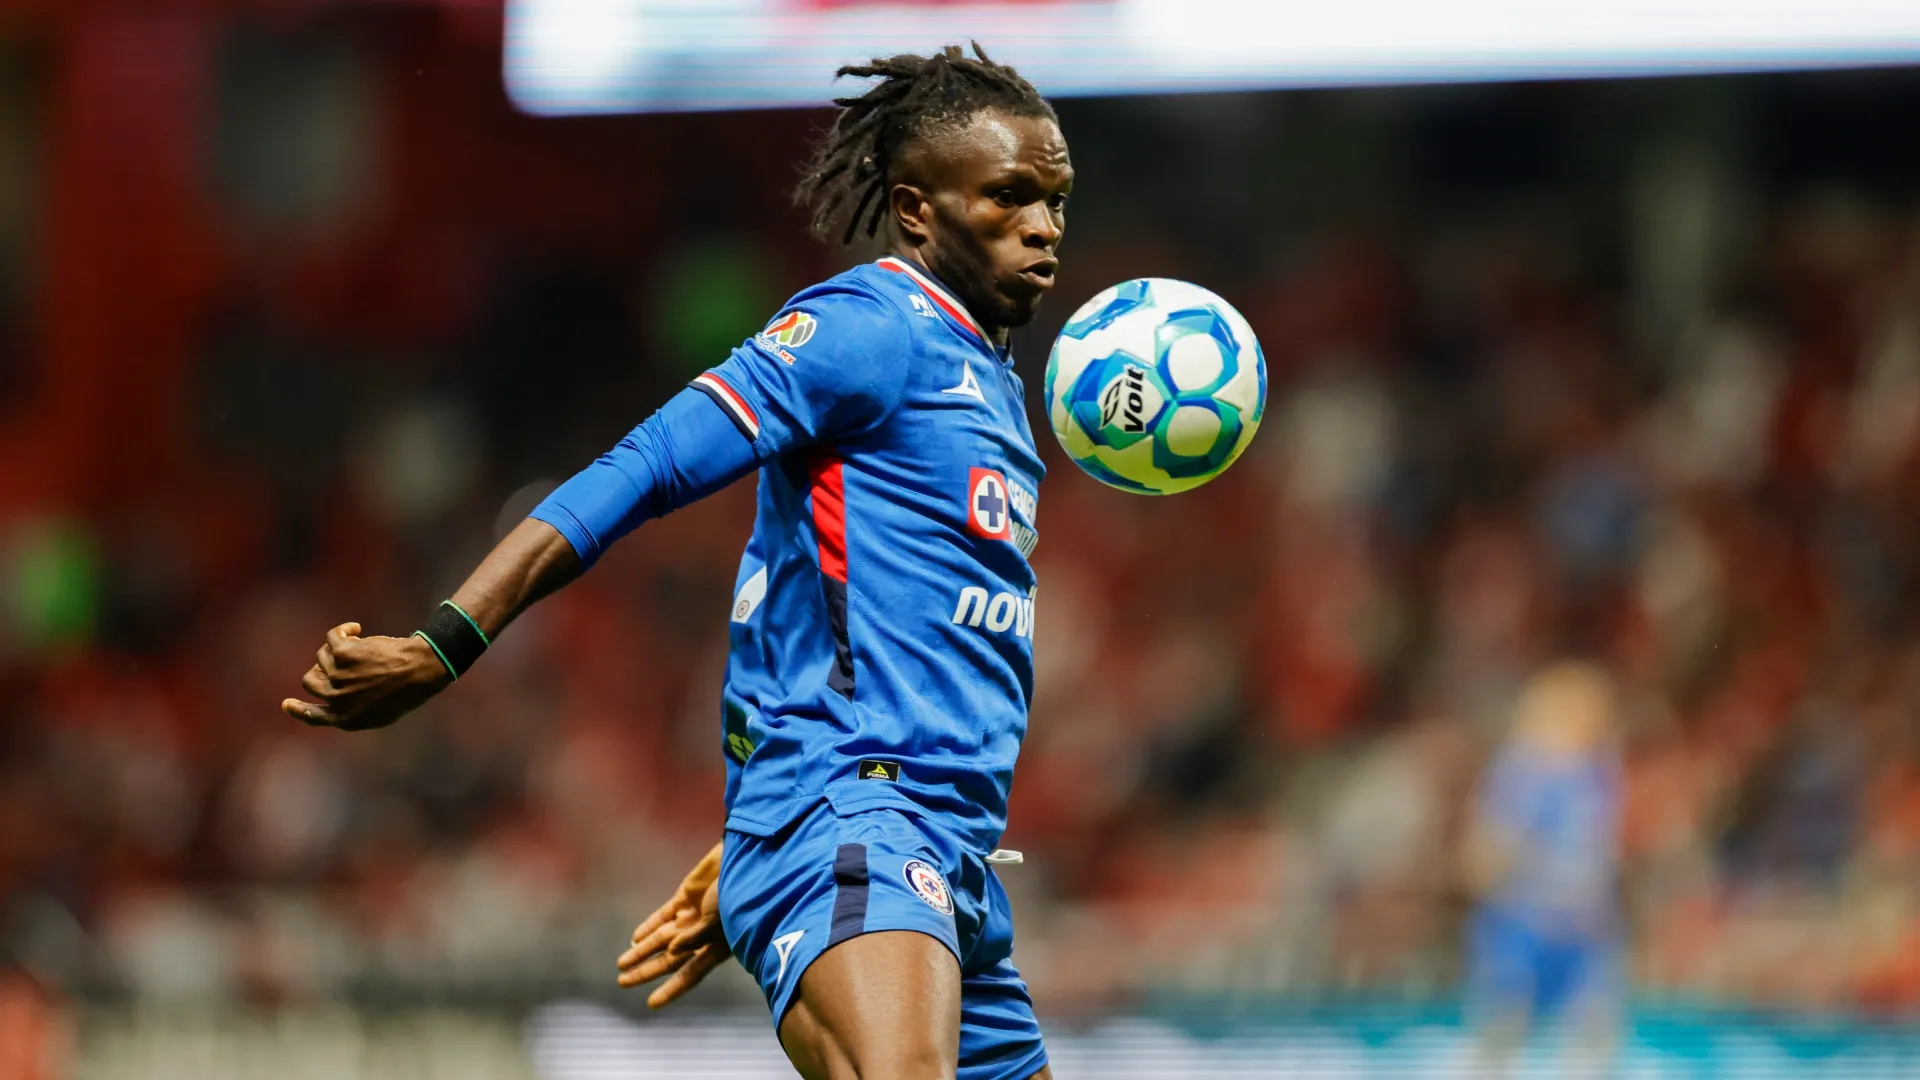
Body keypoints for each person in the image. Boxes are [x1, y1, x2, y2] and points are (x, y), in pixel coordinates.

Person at [280, 44, 1069, 1080]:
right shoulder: (869, 330)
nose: (1044, 226)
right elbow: (646, 464)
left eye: (1055, 200)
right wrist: (446, 640)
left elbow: (893, 636)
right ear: (918, 210)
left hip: (937, 855)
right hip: (859, 825)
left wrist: (761, 833)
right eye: (1011, 196)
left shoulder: (993, 385)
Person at [1459, 661, 1624, 1077]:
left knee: (1594, 1033)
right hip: (1524, 921)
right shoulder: (1521, 771)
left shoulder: (1600, 771)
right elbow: (1486, 851)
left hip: (1584, 927)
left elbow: (1600, 849)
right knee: (1503, 1028)